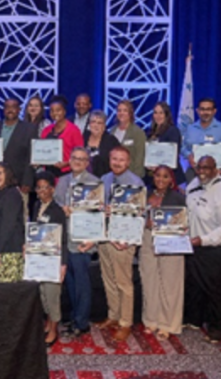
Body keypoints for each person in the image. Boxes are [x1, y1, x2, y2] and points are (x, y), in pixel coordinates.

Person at [182, 155, 221, 343]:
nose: (202, 172)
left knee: (215, 290)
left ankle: (218, 328)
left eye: (207, 168)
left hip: (216, 249)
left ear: (216, 170)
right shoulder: (193, 184)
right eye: (200, 167)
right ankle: (194, 320)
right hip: (193, 246)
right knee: (194, 285)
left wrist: (204, 240)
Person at [94, 146, 143, 342]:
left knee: (124, 282)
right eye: (114, 159)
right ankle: (113, 315)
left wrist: (128, 240)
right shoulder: (104, 179)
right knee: (108, 279)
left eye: (121, 160)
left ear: (128, 162)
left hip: (123, 240)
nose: (117, 163)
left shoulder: (135, 183)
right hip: (105, 236)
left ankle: (125, 322)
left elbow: (139, 214)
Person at [53, 148, 98, 337]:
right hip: (65, 240)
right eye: (75, 158)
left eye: (82, 159)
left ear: (87, 162)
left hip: (82, 241)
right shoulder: (62, 181)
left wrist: (93, 241)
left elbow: (97, 215)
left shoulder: (94, 183)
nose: (78, 162)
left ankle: (82, 322)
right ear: (69, 160)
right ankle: (73, 317)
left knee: (82, 284)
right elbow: (56, 204)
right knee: (70, 283)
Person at [139, 166, 188, 339]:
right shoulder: (144, 196)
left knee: (170, 284)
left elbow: (184, 224)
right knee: (149, 280)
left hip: (171, 242)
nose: (160, 179)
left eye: (165, 176)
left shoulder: (178, 198)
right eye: (158, 175)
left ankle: (168, 323)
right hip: (147, 239)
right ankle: (151, 320)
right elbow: (135, 218)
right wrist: (146, 223)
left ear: (171, 180)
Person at [30, 171, 68, 346]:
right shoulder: (36, 206)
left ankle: (53, 330)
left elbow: (64, 238)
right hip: (39, 259)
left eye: (46, 187)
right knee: (43, 294)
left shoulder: (58, 211)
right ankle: (48, 324)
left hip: (54, 259)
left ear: (52, 189)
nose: (42, 191)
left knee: (53, 296)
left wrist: (63, 265)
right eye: (39, 188)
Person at [0, 97, 39, 190]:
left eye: (13, 107)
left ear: (19, 110)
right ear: (3, 110)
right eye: (7, 107)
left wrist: (27, 182)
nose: (10, 110)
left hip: (19, 181)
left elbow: (31, 157)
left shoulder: (29, 129)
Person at [0, 164, 26, 283]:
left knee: (6, 293)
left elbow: (8, 225)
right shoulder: (1, 193)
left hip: (7, 252)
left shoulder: (12, 195)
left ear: (8, 175)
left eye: (0, 173)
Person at [181, 98, 221, 180]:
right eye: (202, 109)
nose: (205, 112)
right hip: (195, 173)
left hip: (217, 173)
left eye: (208, 109)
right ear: (197, 111)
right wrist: (189, 155)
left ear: (214, 111)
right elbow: (183, 147)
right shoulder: (190, 129)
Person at [40, 95, 84, 176]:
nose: (55, 113)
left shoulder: (74, 130)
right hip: (48, 173)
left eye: (58, 110)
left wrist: (67, 163)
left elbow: (80, 154)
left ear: (64, 111)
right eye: (52, 111)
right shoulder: (46, 130)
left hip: (66, 173)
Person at [146, 102, 185, 184]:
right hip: (155, 177)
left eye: (161, 113)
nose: (158, 116)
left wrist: (158, 165)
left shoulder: (173, 131)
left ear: (166, 115)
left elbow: (173, 154)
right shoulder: (149, 132)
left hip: (172, 178)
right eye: (155, 113)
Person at [110, 100, 147, 178]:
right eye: (119, 110)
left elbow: (140, 158)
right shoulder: (112, 131)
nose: (121, 113)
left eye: (125, 110)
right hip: (113, 176)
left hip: (132, 176)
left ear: (130, 113)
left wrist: (136, 178)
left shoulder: (138, 133)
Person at [82, 110, 120, 177]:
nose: (96, 125)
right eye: (93, 122)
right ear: (89, 124)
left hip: (104, 179)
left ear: (104, 126)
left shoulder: (111, 141)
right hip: (84, 178)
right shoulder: (83, 137)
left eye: (99, 123)